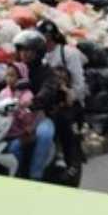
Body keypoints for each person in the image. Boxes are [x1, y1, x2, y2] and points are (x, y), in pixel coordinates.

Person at [12, 30, 73, 179]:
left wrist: (33, 103)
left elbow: (47, 91)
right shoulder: (16, 70)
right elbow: (1, 86)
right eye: (22, 50)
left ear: (38, 52)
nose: (24, 54)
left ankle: (35, 174)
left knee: (44, 135)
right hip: (16, 116)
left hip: (40, 117)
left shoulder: (47, 73)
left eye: (29, 50)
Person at [37, 20, 87, 105]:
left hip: (68, 101)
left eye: (46, 36)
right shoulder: (38, 55)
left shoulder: (69, 53)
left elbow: (79, 83)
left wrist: (71, 97)